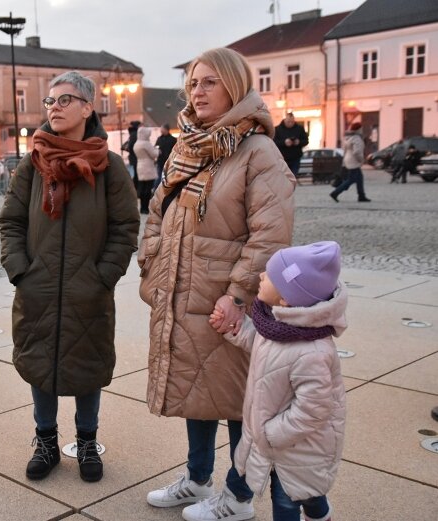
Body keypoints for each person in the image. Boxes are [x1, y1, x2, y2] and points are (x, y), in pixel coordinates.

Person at [139, 47, 295, 521]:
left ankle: (239, 496)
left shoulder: (257, 151)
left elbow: (271, 235)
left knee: (237, 403)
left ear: (234, 85)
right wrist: (151, 264)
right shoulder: (188, 146)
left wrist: (238, 295)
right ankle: (196, 479)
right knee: (196, 393)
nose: (197, 91)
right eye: (192, 83)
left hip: (227, 303)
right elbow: (156, 212)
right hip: (183, 295)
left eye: (208, 82)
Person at [0, 71, 139, 483]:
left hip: (88, 289)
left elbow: (125, 227)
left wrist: (104, 275)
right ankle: (45, 442)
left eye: (65, 100)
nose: (54, 108)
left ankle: (87, 441)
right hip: (37, 286)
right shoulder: (33, 163)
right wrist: (20, 270)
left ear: (87, 107)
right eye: (50, 102)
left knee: (87, 366)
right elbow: (10, 221)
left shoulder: (110, 167)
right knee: (40, 364)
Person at [209, 241, 346, 521]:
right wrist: (233, 329)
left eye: (269, 276)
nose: (261, 276)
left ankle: (319, 514)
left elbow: (314, 409)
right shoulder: (277, 324)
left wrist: (271, 434)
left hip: (298, 446)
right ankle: (321, 514)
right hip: (280, 443)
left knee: (288, 501)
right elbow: (260, 344)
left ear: (286, 298)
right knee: (304, 493)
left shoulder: (313, 351)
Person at [330, 123, 371, 203]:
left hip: (348, 159)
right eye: (361, 128)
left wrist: (344, 161)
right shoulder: (357, 138)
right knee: (351, 179)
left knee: (359, 178)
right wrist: (361, 160)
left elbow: (345, 150)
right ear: (359, 129)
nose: (362, 130)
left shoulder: (348, 137)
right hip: (354, 161)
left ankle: (361, 195)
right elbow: (357, 152)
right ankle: (335, 193)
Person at [133, 125, 159, 214]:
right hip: (148, 166)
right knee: (148, 189)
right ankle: (145, 208)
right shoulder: (146, 143)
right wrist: (158, 151)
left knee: (142, 187)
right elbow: (154, 154)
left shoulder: (137, 143)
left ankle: (142, 208)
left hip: (140, 165)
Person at [273, 112, 308, 176]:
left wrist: (299, 142)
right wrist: (284, 142)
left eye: (292, 122)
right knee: (284, 177)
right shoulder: (277, 129)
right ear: (285, 120)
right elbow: (273, 142)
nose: (290, 123)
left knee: (293, 176)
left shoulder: (300, 128)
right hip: (282, 157)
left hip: (295, 157)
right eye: (288, 121)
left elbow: (306, 141)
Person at [154, 123, 177, 187]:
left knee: (167, 176)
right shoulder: (159, 139)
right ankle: (156, 189)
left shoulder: (172, 139)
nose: (161, 130)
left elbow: (175, 150)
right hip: (160, 161)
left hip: (169, 161)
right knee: (159, 176)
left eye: (162, 128)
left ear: (166, 129)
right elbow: (155, 147)